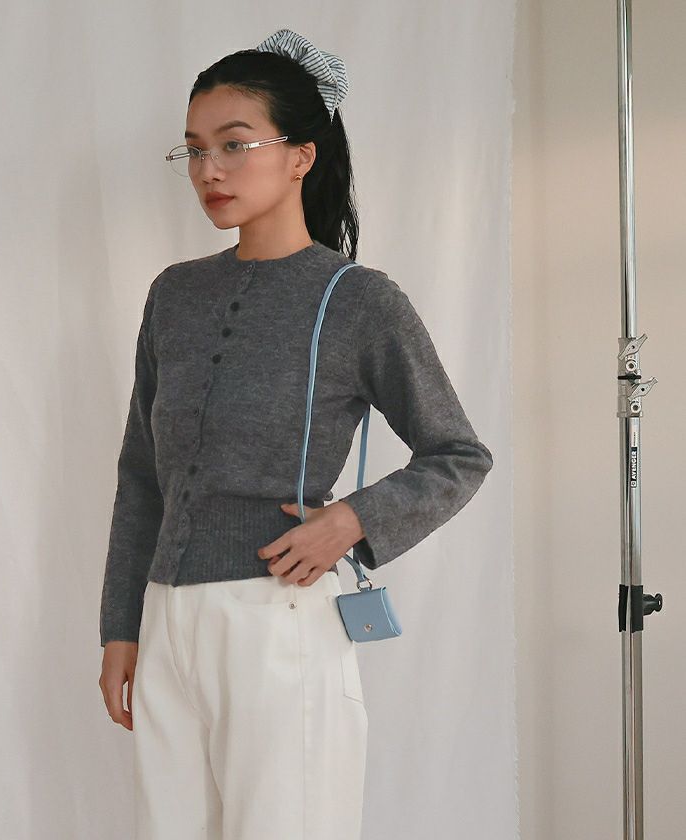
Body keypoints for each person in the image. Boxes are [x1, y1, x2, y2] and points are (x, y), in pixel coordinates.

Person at [98, 28, 493, 840]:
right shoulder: (174, 295)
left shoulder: (358, 300)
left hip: (278, 616)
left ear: (301, 156)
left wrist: (351, 522)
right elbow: (142, 474)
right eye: (194, 150)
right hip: (167, 622)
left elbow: (458, 454)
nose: (209, 170)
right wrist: (121, 628)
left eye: (234, 145)